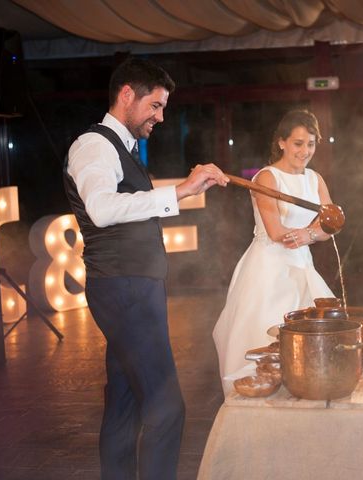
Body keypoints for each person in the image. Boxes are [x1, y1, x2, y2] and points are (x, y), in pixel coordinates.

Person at [63, 57, 228, 480]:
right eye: (155, 105)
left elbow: (129, 208)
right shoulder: (94, 145)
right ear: (126, 95)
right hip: (124, 289)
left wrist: (183, 192)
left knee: (124, 400)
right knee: (166, 404)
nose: (161, 116)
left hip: (132, 287)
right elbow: (101, 209)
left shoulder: (124, 148)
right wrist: (181, 190)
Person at [213, 109, 336, 391]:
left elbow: (329, 226)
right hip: (269, 268)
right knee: (265, 338)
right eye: (298, 143)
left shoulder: (315, 179)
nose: (305, 151)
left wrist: (313, 233)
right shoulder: (267, 178)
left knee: (310, 342)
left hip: (303, 265)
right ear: (281, 142)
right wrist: (311, 233)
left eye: (311, 144)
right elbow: (276, 232)